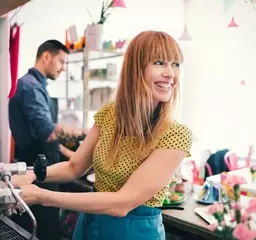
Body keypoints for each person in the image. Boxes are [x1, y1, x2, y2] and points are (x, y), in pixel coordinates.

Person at [12, 31, 193, 240]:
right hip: (89, 226)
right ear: (136, 68)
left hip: (133, 233)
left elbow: (122, 203)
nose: (170, 73)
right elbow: (74, 167)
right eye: (160, 62)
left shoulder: (176, 135)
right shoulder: (110, 114)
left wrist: (42, 196)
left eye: (176, 64)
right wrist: (34, 174)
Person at [8, 39, 81, 240]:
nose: (63, 68)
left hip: (41, 161)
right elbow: (48, 132)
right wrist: (85, 133)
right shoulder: (30, 87)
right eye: (61, 61)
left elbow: (49, 139)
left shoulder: (36, 85)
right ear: (46, 56)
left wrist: (70, 154)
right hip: (36, 166)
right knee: (44, 228)